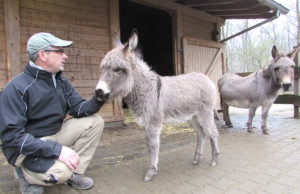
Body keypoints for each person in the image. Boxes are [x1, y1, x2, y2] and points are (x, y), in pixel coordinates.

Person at [0, 32, 106, 193]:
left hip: (54, 135)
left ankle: (75, 174)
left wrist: (99, 98)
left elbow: (78, 108)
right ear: (42, 54)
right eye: (60, 51)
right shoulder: (16, 88)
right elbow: (12, 137)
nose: (65, 55)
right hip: (26, 146)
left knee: (95, 122)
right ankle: (24, 174)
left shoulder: (60, 82)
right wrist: (58, 150)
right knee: (61, 172)